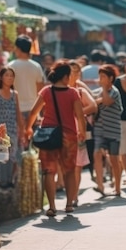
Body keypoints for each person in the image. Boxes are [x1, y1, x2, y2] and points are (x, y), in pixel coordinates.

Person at [25, 61, 87, 217]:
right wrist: (82, 132)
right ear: (66, 76)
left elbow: (33, 112)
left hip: (48, 135)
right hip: (69, 136)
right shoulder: (73, 93)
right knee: (69, 171)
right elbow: (80, 116)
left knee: (49, 171)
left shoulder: (46, 91)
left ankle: (52, 207)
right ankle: (68, 205)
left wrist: (28, 128)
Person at [68, 61, 97, 207]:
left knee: (77, 166)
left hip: (79, 130)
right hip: (64, 131)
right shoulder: (59, 88)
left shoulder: (80, 88)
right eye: (72, 71)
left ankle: (74, 196)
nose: (75, 75)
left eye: (77, 72)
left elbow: (93, 105)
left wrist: (77, 113)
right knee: (66, 166)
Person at [93, 64, 123, 196]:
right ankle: (100, 185)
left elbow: (106, 101)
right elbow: (92, 99)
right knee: (97, 155)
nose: (101, 79)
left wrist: (104, 89)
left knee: (114, 159)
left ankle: (117, 187)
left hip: (113, 131)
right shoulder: (99, 91)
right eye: (100, 76)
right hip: (100, 130)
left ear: (111, 78)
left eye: (103, 76)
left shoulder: (114, 92)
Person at [8, 35, 45, 123]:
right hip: (33, 109)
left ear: (18, 49)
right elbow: (40, 90)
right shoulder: (36, 66)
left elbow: (7, 88)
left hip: (15, 109)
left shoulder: (11, 66)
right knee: (30, 135)